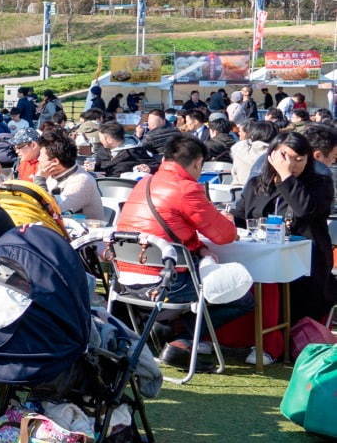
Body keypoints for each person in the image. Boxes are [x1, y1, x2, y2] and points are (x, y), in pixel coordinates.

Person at [116, 135, 248, 361]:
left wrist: (197, 247)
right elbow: (225, 236)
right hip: (165, 282)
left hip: (126, 278)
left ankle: (164, 328)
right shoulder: (187, 189)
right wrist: (226, 222)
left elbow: (168, 231)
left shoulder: (143, 183)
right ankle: (182, 338)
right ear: (198, 163)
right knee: (243, 295)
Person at [233, 131, 334, 325]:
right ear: (271, 156)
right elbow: (240, 217)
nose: (292, 164)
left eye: (299, 159)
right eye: (285, 157)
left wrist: (286, 176)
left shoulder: (319, 183)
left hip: (304, 259)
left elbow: (304, 210)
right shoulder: (257, 184)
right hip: (260, 255)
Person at [35, 130, 104, 221]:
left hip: (84, 233)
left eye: (40, 155)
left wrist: (39, 180)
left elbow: (55, 214)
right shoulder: (54, 174)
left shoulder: (82, 181)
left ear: (55, 161)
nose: (38, 159)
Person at [231, 119, 276, 186]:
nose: (238, 133)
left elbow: (234, 173)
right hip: (265, 192)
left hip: (238, 191)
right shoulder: (275, 155)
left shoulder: (238, 149)